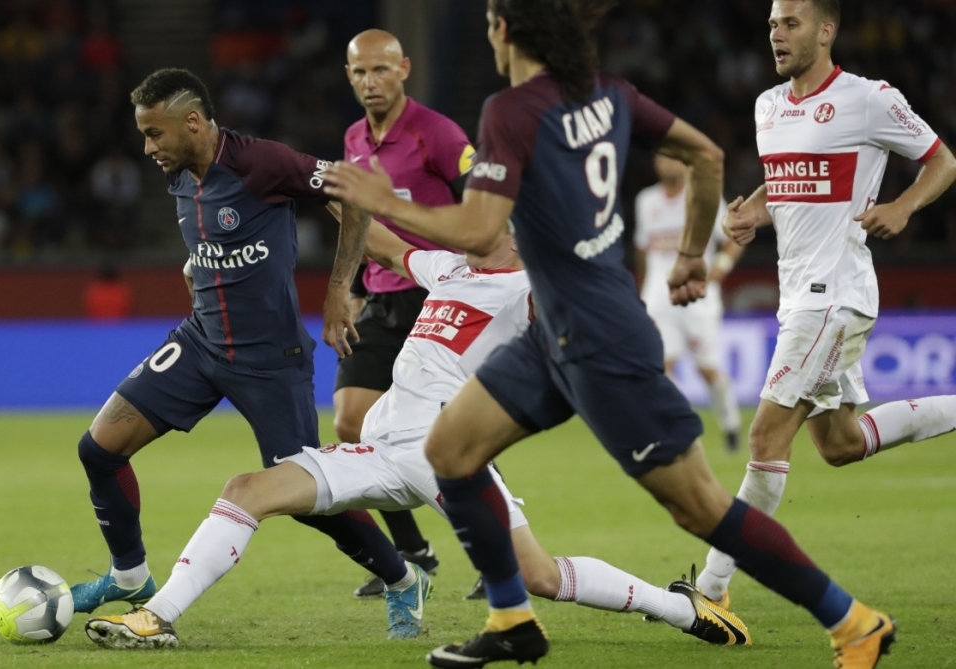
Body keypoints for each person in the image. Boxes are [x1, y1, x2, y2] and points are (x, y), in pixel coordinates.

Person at [324, 1, 902, 667]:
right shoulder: (609, 93)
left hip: (601, 341)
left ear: (505, 30)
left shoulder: (509, 112)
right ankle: (513, 617)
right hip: (555, 333)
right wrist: (691, 253)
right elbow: (705, 154)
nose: (488, 34)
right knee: (451, 450)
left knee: (700, 507)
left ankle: (850, 618)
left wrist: (384, 201)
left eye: (490, 23)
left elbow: (482, 234)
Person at [83, 220, 750, 650]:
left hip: (448, 454)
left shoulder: (529, 286)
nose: (470, 219)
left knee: (540, 576)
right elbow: (383, 240)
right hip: (382, 449)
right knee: (247, 487)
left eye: (483, 215)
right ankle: (157, 615)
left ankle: (679, 609)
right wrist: (321, 189)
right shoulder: (450, 267)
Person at [68, 68, 415, 642]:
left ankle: (403, 579)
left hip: (270, 360)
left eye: (154, 134)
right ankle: (129, 578)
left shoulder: (263, 163)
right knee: (98, 450)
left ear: (194, 122)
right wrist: (195, 274)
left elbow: (351, 193)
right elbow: (208, 245)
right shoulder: (179, 173)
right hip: (199, 344)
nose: (148, 148)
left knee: (307, 499)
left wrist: (336, 291)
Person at [695, 0, 956, 613]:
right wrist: (754, 211)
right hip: (799, 299)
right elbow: (787, 179)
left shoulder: (869, 99)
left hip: (835, 296)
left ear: (826, 30)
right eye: (771, 26)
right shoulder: (767, 106)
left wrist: (901, 207)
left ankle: (710, 590)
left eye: (790, 24)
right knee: (839, 444)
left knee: (764, 434)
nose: (776, 35)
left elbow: (942, 161)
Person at [336, 28, 480, 600]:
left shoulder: (439, 134)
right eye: (359, 73)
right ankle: (411, 552)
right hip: (382, 299)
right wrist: (348, 285)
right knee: (351, 422)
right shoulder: (351, 138)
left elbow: (484, 209)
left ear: (404, 70)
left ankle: (496, 552)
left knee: (459, 435)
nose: (370, 82)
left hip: (438, 296)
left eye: (380, 70)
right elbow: (355, 221)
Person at [634, 154, 744, 452]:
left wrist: (721, 265)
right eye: (662, 158)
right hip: (658, 298)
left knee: (707, 368)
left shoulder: (702, 195)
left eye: (674, 159)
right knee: (661, 366)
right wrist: (642, 288)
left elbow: (733, 236)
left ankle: (731, 425)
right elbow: (642, 250)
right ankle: (680, 430)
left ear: (685, 164)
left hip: (698, 297)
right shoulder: (646, 200)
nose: (666, 164)